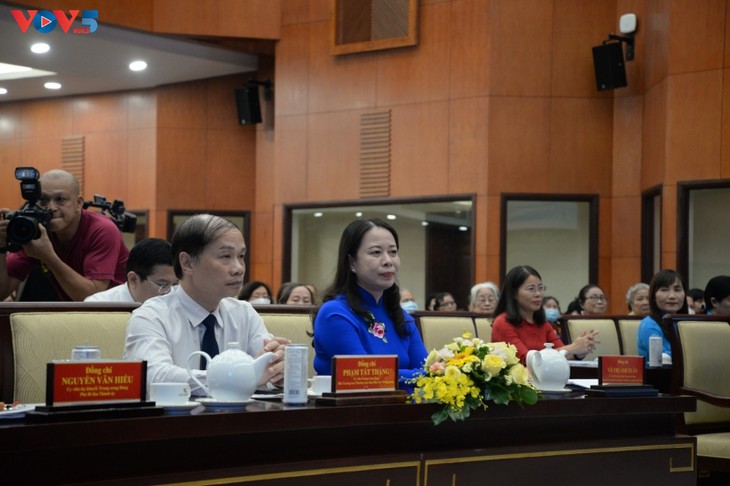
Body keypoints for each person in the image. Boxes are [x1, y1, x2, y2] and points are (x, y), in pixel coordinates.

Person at [124, 214, 288, 396]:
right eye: (226, 256)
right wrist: (240, 377)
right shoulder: (151, 316)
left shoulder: (244, 313)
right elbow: (155, 377)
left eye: (241, 256)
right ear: (187, 263)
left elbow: (265, 368)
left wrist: (278, 370)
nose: (239, 268)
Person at [312, 218, 428, 390]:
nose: (388, 260)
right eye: (376, 252)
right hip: (352, 413)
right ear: (352, 262)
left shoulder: (401, 316)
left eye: (393, 252)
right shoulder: (335, 314)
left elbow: (429, 371)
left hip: (405, 411)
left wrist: (429, 374)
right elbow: (366, 378)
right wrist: (420, 375)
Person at [0, 169, 129, 301]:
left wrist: (49, 257)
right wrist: (1, 247)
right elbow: (2, 293)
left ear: (78, 203)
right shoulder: (35, 229)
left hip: (114, 314)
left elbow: (93, 300)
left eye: (60, 199)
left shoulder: (102, 229)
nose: (51, 207)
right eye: (43, 200)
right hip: (72, 312)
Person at [491, 265, 598, 364]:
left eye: (540, 288)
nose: (538, 294)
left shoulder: (542, 323)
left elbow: (560, 355)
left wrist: (578, 352)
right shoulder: (503, 322)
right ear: (514, 294)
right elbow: (526, 359)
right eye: (531, 289)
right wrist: (572, 348)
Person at [85, 238, 177, 303]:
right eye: (162, 285)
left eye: (175, 285)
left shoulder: (177, 307)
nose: (170, 293)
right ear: (133, 279)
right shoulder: (98, 308)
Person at [637, 269, 688, 361]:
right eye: (664, 290)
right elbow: (662, 358)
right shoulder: (649, 324)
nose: (672, 296)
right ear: (653, 297)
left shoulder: (687, 323)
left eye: (677, 289)